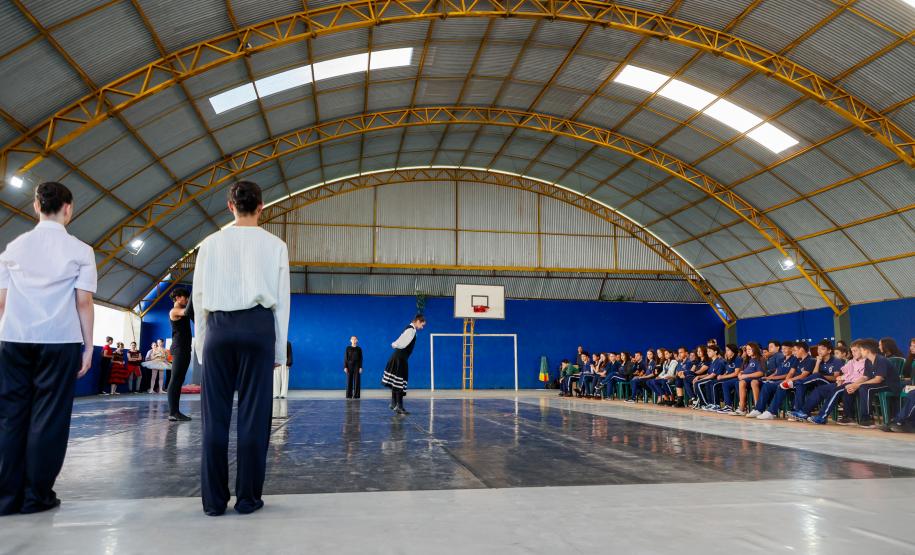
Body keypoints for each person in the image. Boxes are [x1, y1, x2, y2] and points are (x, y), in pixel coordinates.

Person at [193, 180, 290, 516]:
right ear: (262, 207)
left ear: (230, 206)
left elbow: (199, 299)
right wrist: (278, 352)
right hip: (258, 329)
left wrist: (202, 344)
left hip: (218, 329)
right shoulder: (276, 245)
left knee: (214, 419)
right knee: (254, 416)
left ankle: (214, 501)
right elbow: (282, 303)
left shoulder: (209, 243)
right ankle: (248, 499)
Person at [0, 181, 96, 515]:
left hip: (13, 338)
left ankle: (6, 498)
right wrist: (88, 347)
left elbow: (1, 302)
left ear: (36, 207)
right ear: (68, 208)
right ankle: (36, 496)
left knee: (11, 417)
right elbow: (83, 303)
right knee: (48, 419)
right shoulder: (81, 251)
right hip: (59, 340)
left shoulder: (14, 247)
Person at [851, 338, 902, 428]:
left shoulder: (881, 360)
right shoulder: (868, 361)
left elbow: (878, 379)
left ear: (867, 351)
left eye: (861, 350)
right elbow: (865, 377)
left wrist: (859, 385)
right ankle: (863, 417)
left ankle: (867, 419)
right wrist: (853, 384)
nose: (860, 352)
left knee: (865, 388)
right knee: (863, 387)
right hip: (881, 384)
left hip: (890, 385)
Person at [382, 314, 427, 414]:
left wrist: (395, 344)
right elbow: (403, 341)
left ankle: (394, 404)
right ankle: (399, 407)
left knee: (396, 383)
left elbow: (401, 338)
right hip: (400, 358)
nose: (422, 327)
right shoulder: (411, 330)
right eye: (422, 325)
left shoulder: (411, 329)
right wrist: (395, 344)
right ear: (418, 321)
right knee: (399, 384)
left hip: (399, 358)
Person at [167, 288, 194, 422]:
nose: (187, 299)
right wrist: (195, 292)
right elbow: (188, 310)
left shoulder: (182, 311)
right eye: (185, 297)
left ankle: (175, 411)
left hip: (185, 349)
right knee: (175, 379)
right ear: (177, 298)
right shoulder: (174, 311)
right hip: (179, 349)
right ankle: (173, 412)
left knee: (179, 380)